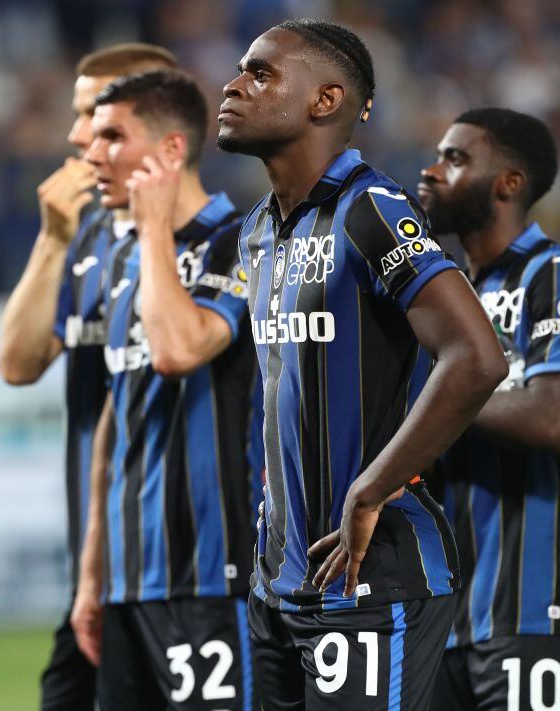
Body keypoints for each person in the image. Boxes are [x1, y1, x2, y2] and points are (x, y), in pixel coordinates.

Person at [217, 19, 509, 710]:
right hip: (277, 586)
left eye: (261, 73)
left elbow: (476, 356)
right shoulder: (258, 229)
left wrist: (371, 488)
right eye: (239, 70)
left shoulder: (370, 208)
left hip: (373, 576)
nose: (233, 85)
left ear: (325, 100)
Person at [71, 70, 261, 710]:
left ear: (172, 151)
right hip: (129, 585)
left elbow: (180, 350)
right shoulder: (124, 262)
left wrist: (154, 229)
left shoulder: (241, 242)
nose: (92, 154)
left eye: (112, 138)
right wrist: (92, 575)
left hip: (211, 575)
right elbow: (113, 421)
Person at [0, 43, 177, 710]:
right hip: (96, 570)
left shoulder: (207, 240)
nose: (76, 136)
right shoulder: (86, 238)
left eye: (94, 116)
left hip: (183, 576)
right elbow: (17, 364)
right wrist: (52, 238)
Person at [420, 108, 560, 711]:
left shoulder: (553, 273)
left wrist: (434, 400)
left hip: (538, 606)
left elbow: (554, 418)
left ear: (508, 183)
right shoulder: (447, 298)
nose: (431, 171)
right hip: (443, 620)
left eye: (455, 159)